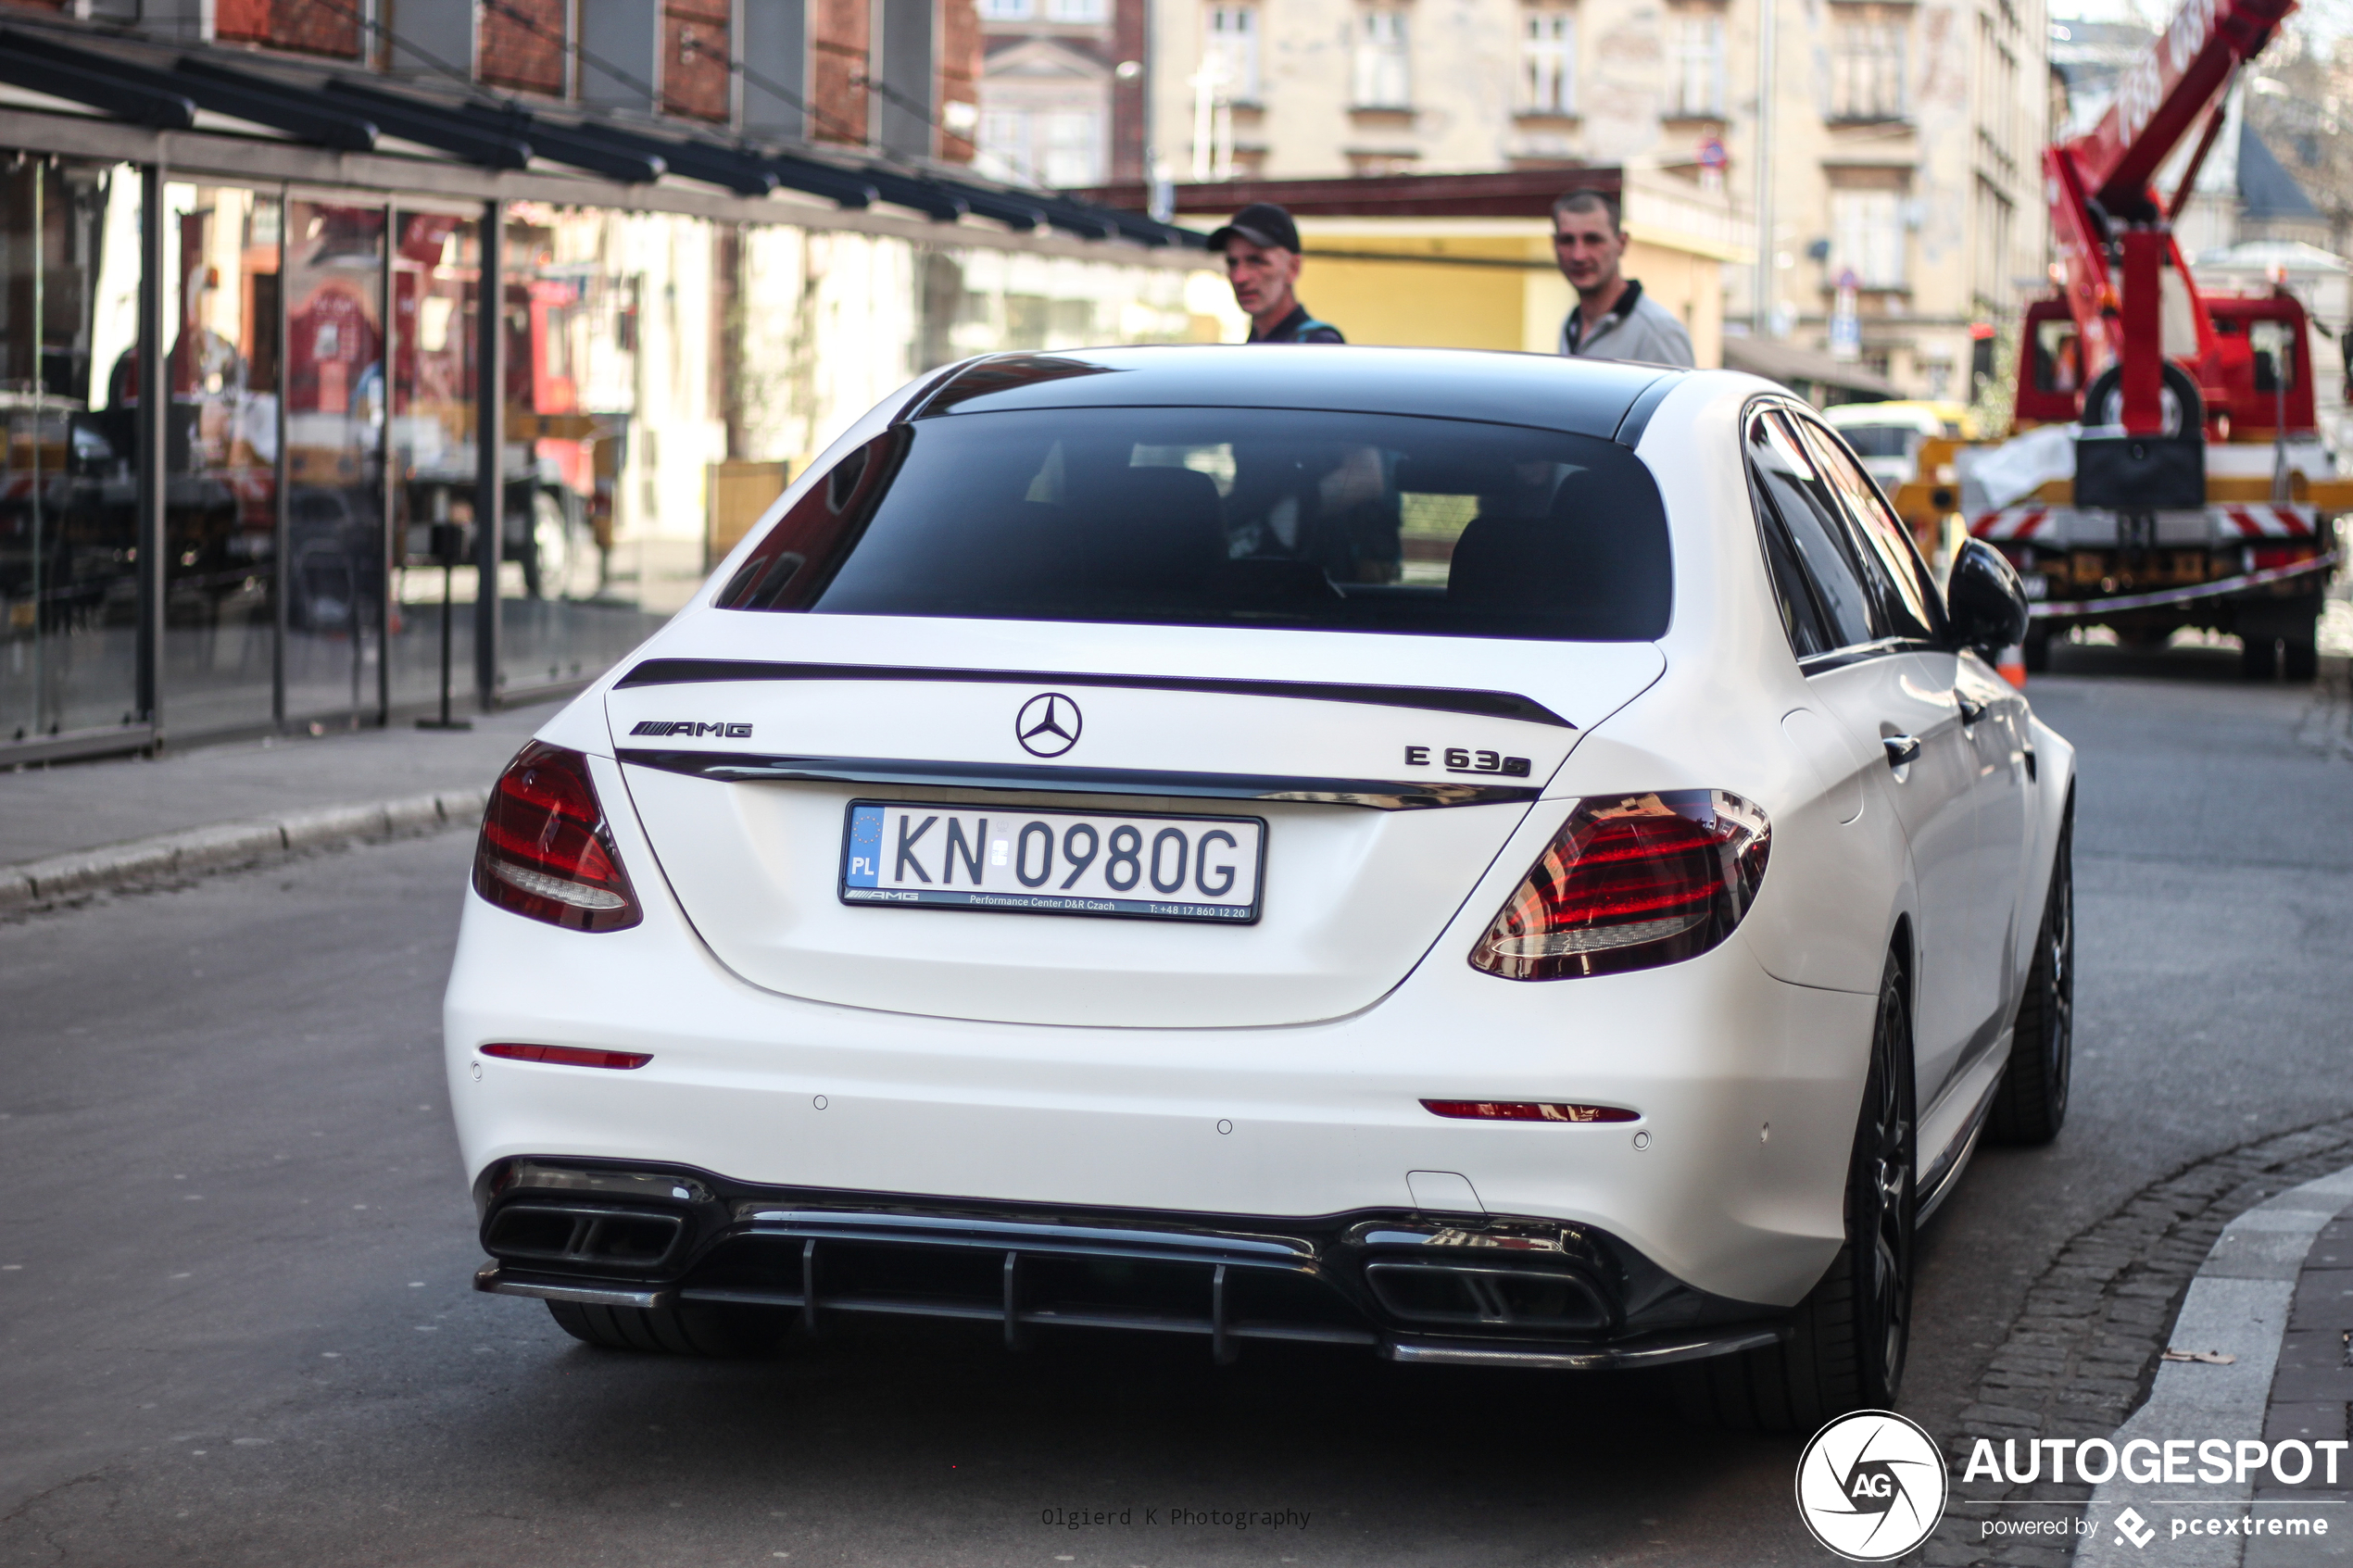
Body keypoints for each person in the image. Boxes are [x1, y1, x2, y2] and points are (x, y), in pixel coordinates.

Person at [1550, 189, 1694, 367]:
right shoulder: (1571, 324)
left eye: (1593, 240)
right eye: (1567, 240)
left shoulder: (1659, 331)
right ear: (1554, 244)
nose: (1578, 255)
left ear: (1622, 243)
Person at [1207, 203, 1345, 344]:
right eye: (1232, 263)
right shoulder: (1256, 344)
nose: (1239, 277)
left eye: (1256, 261)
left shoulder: (1318, 345)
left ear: (1293, 268)